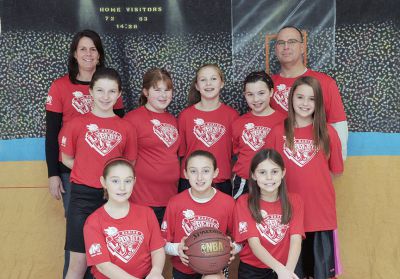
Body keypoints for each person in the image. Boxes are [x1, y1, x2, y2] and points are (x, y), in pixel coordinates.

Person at [45, 29, 124, 278]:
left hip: (108, 179)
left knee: (107, 236)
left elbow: (117, 133)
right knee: (77, 240)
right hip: (73, 174)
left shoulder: (109, 87)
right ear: (75, 54)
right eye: (83, 49)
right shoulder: (60, 86)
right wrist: (53, 174)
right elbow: (52, 134)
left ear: (99, 55)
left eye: (93, 49)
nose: (88, 54)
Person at [60, 67, 137, 279]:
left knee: (110, 263)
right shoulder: (76, 124)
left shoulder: (126, 128)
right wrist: (88, 169)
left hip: (113, 200)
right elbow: (66, 158)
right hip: (82, 198)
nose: (106, 97)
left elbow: (128, 164)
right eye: (100, 90)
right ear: (91, 92)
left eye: (112, 91)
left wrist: (112, 183)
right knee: (78, 263)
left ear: (119, 95)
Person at [266, 76, 344, 279]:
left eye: (312, 99)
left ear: (319, 102)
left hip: (321, 217)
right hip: (287, 216)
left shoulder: (328, 133)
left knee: (322, 275)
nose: (305, 103)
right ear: (291, 99)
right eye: (300, 97)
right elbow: (266, 175)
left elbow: (335, 171)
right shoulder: (277, 133)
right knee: (292, 274)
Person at [271, 25, 348, 159]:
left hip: (311, 161)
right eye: (281, 43)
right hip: (275, 167)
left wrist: (337, 160)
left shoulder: (325, 82)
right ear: (276, 49)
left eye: (292, 42)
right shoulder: (266, 86)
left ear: (302, 47)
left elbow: (338, 124)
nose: (286, 46)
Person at [84, 157, 165, 279]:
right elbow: (103, 266)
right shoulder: (93, 221)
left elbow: (157, 249)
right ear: (104, 182)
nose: (122, 187)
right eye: (115, 181)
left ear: (134, 181)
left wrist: (156, 272)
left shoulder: (147, 213)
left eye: (127, 181)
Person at [161, 150, 237, 279]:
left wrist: (231, 248)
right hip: (183, 268)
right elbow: (162, 243)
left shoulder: (228, 203)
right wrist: (178, 248)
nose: (200, 177)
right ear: (185, 174)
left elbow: (240, 240)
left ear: (215, 173)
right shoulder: (175, 203)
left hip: (215, 267)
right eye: (193, 171)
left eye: (206, 171)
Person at [233, 149, 304, 279]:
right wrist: (280, 271)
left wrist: (287, 272)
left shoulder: (294, 200)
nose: (269, 177)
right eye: (262, 172)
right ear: (253, 175)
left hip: (288, 265)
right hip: (253, 271)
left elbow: (296, 239)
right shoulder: (244, 202)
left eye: (274, 172)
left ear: (283, 173)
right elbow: (254, 244)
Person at [124, 68, 180, 225]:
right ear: (146, 92)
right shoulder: (132, 119)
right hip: (143, 199)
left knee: (167, 247)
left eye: (167, 90)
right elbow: (125, 162)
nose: (163, 95)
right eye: (157, 90)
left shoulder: (172, 119)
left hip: (170, 198)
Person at [178, 64, 239, 195]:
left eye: (213, 79)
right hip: (191, 181)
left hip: (221, 181)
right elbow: (182, 152)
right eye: (203, 80)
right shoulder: (185, 116)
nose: (208, 83)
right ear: (197, 85)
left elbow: (235, 153)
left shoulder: (232, 116)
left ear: (222, 83)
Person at [231, 71, 285, 199]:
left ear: (271, 92)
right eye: (250, 94)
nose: (256, 99)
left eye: (261, 93)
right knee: (242, 216)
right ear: (245, 95)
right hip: (245, 180)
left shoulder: (284, 121)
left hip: (272, 180)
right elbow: (237, 152)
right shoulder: (238, 123)